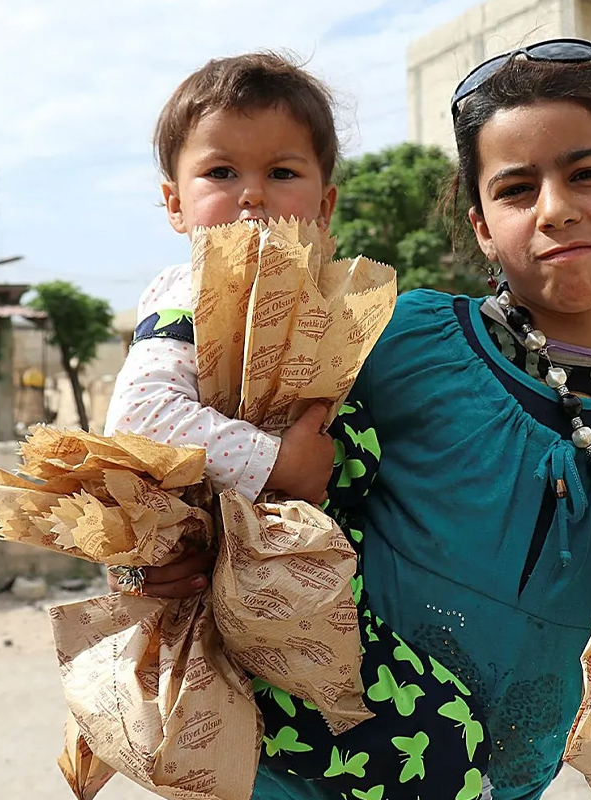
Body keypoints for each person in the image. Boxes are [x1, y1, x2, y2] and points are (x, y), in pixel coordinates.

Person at [110, 41, 591, 800]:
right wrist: (153, 565)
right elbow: (215, 449)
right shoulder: (399, 340)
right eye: (515, 188)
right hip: (294, 767)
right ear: (480, 225)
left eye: (588, 173)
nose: (557, 208)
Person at [103, 51, 492, 800]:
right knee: (443, 744)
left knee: (450, 741)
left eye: (282, 173)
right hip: (253, 616)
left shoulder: (309, 310)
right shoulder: (191, 293)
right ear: (175, 204)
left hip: (309, 605)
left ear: (325, 204)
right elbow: (140, 416)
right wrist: (278, 461)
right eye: (220, 174)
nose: (252, 197)